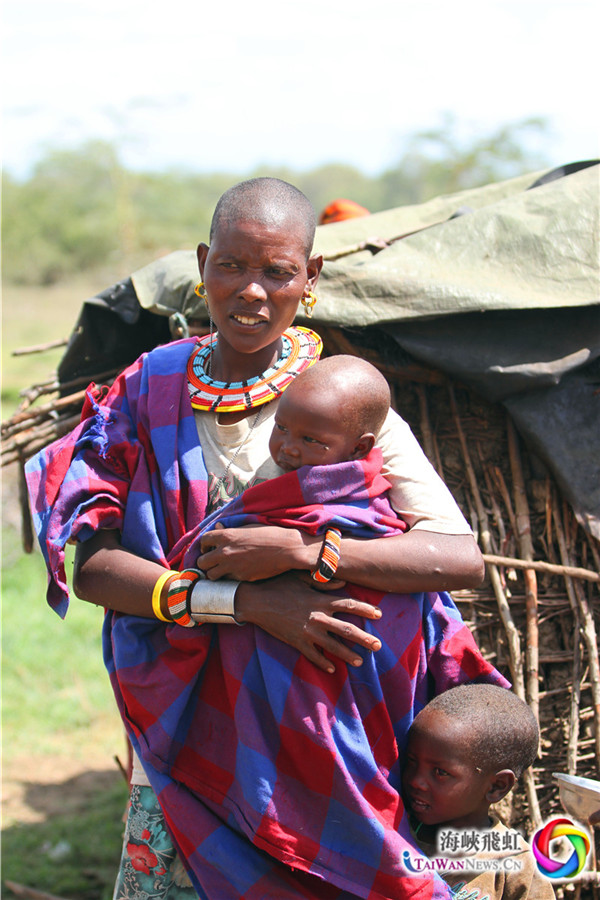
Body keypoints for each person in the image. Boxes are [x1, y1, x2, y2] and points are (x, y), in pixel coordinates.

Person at [27, 177, 491, 899]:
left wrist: (306, 553)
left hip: (326, 732)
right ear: (204, 263)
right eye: (233, 266)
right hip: (183, 725)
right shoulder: (147, 389)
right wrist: (245, 605)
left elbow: (459, 557)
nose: (251, 292)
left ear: (311, 280)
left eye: (277, 272)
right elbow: (95, 570)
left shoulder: (338, 400)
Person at [402, 685, 555, 899]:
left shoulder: (516, 865)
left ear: (496, 786)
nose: (416, 781)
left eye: (440, 772)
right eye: (411, 761)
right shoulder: (395, 833)